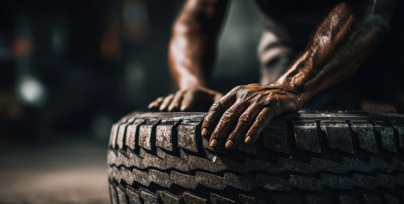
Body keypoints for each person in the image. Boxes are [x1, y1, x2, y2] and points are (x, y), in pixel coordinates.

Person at [148, 0, 401, 150]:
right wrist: (192, 83)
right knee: (289, 138)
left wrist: (291, 85)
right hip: (292, 35)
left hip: (383, 24)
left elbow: (370, 9)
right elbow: (197, 18)